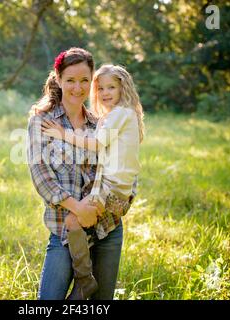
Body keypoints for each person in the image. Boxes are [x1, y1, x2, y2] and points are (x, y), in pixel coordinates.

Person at [41, 64, 145, 299]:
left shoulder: (120, 114)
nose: (105, 92)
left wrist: (62, 134)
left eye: (111, 87)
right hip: (116, 187)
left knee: (72, 221)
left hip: (111, 187)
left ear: (123, 89)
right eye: (101, 88)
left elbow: (97, 144)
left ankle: (85, 283)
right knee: (77, 222)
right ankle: (85, 283)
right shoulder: (118, 116)